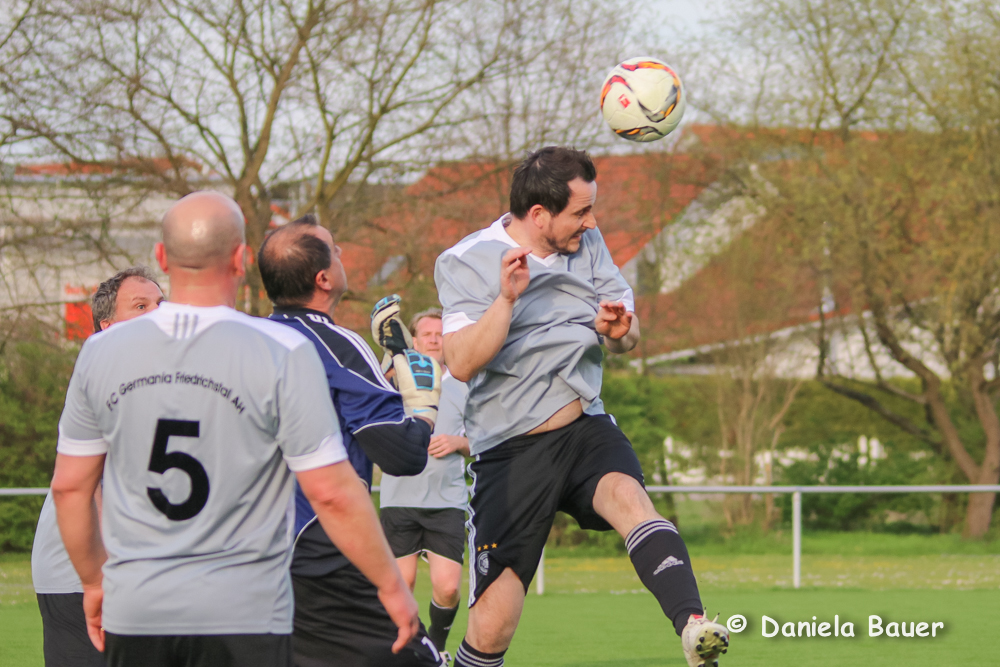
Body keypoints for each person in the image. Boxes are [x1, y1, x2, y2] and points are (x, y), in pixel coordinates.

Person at [50, 192, 419, 667]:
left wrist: (94, 581)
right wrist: (391, 583)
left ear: (162, 258)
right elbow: (331, 492)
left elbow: (69, 487)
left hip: (138, 608)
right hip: (246, 609)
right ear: (241, 259)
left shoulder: (101, 352)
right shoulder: (281, 349)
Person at [434, 147, 730, 667]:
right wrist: (505, 300)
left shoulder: (588, 244)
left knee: (629, 498)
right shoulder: (465, 260)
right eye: (581, 212)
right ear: (539, 214)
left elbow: (627, 332)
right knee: (493, 625)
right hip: (511, 448)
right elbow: (459, 362)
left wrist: (619, 332)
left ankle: (693, 626)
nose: (592, 222)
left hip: (583, 424)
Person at [257, 214, 445, 667]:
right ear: (323, 279)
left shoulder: (251, 340)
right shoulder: (336, 343)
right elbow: (401, 454)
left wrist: (378, 378)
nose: (342, 254)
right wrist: (422, 412)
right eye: (335, 249)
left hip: (249, 552)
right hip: (324, 548)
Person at [32, 266, 164, 667]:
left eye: (161, 304)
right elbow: (91, 484)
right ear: (107, 326)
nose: (156, 313)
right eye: (140, 306)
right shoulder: (108, 371)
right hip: (82, 574)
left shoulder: (161, 379)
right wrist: (108, 575)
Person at [379, 309, 470, 661]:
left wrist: (459, 443)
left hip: (446, 501)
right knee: (403, 587)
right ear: (414, 341)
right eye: (427, 334)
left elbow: (488, 440)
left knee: (447, 589)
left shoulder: (464, 385)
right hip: (399, 498)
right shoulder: (394, 382)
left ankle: (437, 648)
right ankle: (404, 654)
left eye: (440, 333)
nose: (434, 339)